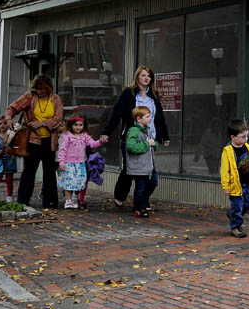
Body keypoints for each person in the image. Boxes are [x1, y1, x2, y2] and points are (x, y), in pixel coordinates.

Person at [100, 66, 169, 207]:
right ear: (137, 77)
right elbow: (117, 113)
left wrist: (164, 136)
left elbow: (159, 116)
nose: (146, 78)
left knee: (148, 171)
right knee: (130, 170)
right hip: (132, 138)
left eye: (148, 76)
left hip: (149, 138)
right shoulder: (128, 93)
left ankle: (142, 199)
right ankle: (121, 195)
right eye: (143, 75)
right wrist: (106, 132)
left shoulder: (153, 94)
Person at [6, 74, 64, 209]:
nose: (40, 91)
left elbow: (58, 118)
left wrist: (43, 123)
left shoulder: (55, 99)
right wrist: (9, 119)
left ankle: (49, 202)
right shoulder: (29, 96)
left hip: (49, 140)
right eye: (37, 89)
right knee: (29, 170)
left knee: (49, 171)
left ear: (48, 88)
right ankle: (23, 200)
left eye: (42, 89)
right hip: (32, 140)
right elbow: (12, 108)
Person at [220, 119, 249, 238]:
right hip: (235, 184)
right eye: (242, 137)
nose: (246, 139)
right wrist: (226, 186)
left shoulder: (248, 148)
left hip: (247, 182)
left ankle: (233, 215)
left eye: (247, 136)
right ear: (233, 137)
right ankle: (235, 227)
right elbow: (224, 170)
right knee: (237, 206)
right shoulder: (228, 151)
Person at [58, 116, 107, 209]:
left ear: (83, 126)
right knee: (69, 182)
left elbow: (93, 144)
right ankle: (68, 201)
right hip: (69, 163)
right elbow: (62, 150)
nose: (78, 127)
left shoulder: (85, 136)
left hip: (81, 163)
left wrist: (100, 142)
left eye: (80, 125)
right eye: (75, 125)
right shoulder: (67, 136)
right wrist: (61, 162)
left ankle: (75, 199)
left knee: (79, 182)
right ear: (71, 126)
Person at [125, 106, 161, 217]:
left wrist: (154, 144)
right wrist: (147, 144)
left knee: (153, 182)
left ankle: (143, 201)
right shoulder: (133, 131)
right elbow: (131, 147)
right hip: (139, 166)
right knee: (140, 187)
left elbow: (152, 142)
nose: (150, 118)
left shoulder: (147, 130)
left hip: (149, 165)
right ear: (139, 119)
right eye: (147, 116)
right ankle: (138, 207)